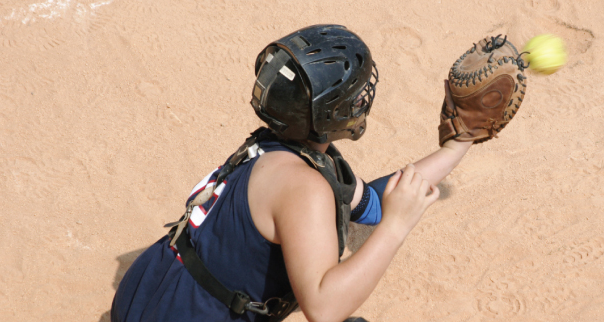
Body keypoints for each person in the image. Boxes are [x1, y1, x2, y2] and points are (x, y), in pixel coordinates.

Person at [111, 24, 473, 322]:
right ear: (332, 114)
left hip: (146, 294)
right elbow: (324, 308)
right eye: (357, 95)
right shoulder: (304, 188)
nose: (363, 100)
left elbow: (375, 202)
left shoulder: (280, 147)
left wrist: (458, 144)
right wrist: (397, 226)